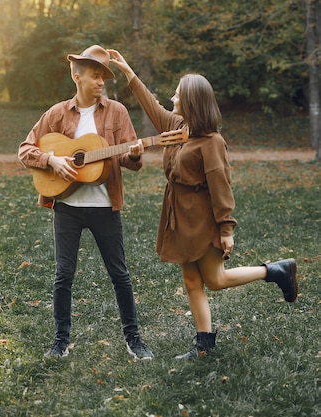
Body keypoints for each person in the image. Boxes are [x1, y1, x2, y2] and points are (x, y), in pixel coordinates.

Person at [108, 49, 298, 359]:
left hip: (202, 219)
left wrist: (226, 228)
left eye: (178, 94)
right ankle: (203, 346)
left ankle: (275, 271)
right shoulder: (180, 127)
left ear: (192, 101)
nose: (172, 98)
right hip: (178, 217)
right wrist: (129, 72)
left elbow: (220, 186)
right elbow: (152, 106)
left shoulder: (211, 142)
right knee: (192, 280)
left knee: (216, 279)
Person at [18, 45, 153, 360]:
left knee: (119, 274)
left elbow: (132, 160)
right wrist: (51, 160)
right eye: (94, 75)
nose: (101, 82)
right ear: (76, 76)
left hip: (105, 207)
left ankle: (134, 340)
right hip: (67, 208)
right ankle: (60, 341)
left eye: (103, 77)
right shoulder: (57, 113)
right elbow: (25, 149)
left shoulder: (117, 112)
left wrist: (134, 154)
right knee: (63, 274)